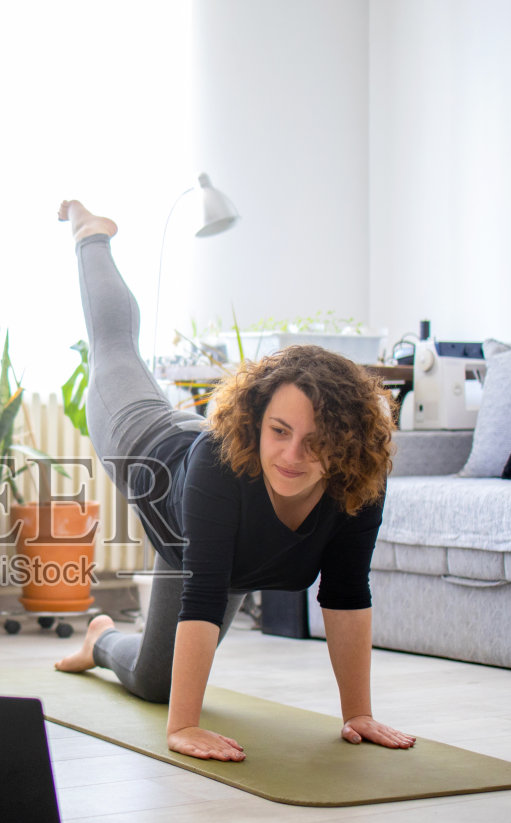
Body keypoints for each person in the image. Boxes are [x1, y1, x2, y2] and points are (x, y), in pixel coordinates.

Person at [52, 199, 416, 762]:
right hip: (147, 443)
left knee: (153, 682)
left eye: (316, 440)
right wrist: (183, 727)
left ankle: (100, 638)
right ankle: (90, 236)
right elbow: (203, 591)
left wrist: (358, 714)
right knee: (115, 349)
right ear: (255, 420)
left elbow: (345, 592)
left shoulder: (358, 483)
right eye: (279, 430)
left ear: (345, 445)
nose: (293, 455)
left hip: (218, 542)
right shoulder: (220, 463)